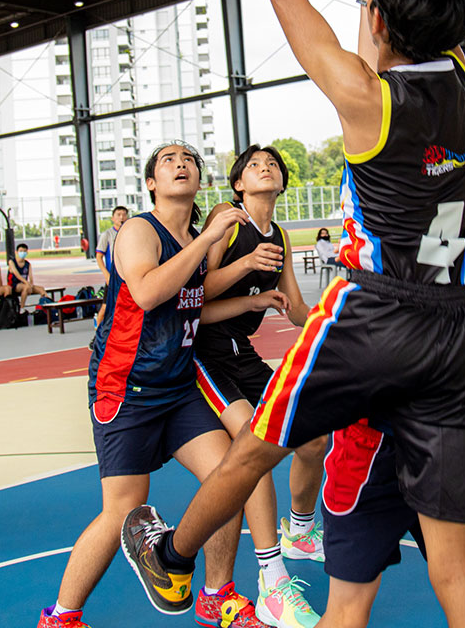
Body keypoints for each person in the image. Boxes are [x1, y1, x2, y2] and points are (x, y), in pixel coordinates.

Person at [124, 0, 465, 628]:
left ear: (379, 16)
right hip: (453, 327)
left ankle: (172, 559)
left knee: (256, 445)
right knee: (453, 558)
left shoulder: (369, 99)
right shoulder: (458, 76)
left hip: (374, 316)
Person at [37, 142, 266, 628]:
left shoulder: (195, 240)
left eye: (189, 159)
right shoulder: (139, 230)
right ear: (151, 183)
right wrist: (209, 240)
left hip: (176, 387)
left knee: (228, 478)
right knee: (123, 508)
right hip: (126, 387)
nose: (180, 163)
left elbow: (193, 306)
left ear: (199, 179)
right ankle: (61, 617)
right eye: (168, 160)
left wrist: (248, 300)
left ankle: (217, 593)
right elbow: (146, 292)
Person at [319, 242, 465, 628]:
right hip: (369, 453)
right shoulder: (374, 243)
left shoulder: (453, 243)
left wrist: (444, 259)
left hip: (446, 442)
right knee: (347, 612)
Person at [194, 144, 325, 627]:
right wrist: (247, 265)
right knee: (256, 443)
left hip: (242, 353)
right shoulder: (226, 220)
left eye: (272, 164)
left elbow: (295, 309)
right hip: (204, 353)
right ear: (238, 184)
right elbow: (193, 294)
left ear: (282, 182)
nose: (265, 167)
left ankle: (301, 532)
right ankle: (271, 583)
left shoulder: (282, 237)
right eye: (254, 165)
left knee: (314, 435)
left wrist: (339, 321)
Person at [92, 206, 129, 347]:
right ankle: (97, 337)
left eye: (124, 214)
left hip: (127, 277)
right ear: (113, 218)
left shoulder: (129, 233)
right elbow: (99, 257)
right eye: (118, 214)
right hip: (113, 277)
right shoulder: (107, 235)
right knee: (105, 307)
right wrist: (106, 274)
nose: (121, 217)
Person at [7, 243, 47, 312]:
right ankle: (22, 308)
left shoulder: (28, 264)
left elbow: (31, 277)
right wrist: (27, 283)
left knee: (41, 289)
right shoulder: (12, 262)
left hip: (25, 284)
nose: (23, 253)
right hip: (14, 285)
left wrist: (31, 284)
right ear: (17, 252)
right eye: (21, 251)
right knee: (26, 287)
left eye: (24, 251)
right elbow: (17, 275)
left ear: (27, 252)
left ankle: (42, 307)